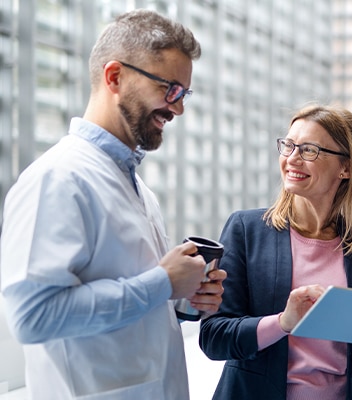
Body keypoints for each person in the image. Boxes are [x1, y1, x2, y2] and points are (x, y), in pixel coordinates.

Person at [0, 9, 227, 399]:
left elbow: (133, 302)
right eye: (170, 89)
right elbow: (33, 318)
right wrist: (162, 283)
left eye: (184, 94)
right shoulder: (57, 178)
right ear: (114, 77)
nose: (178, 108)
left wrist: (183, 299)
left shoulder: (137, 187)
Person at [198, 104, 352, 399]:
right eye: (288, 146)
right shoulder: (246, 230)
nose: (292, 159)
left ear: (346, 168)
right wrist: (283, 322)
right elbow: (214, 338)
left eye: (309, 150)